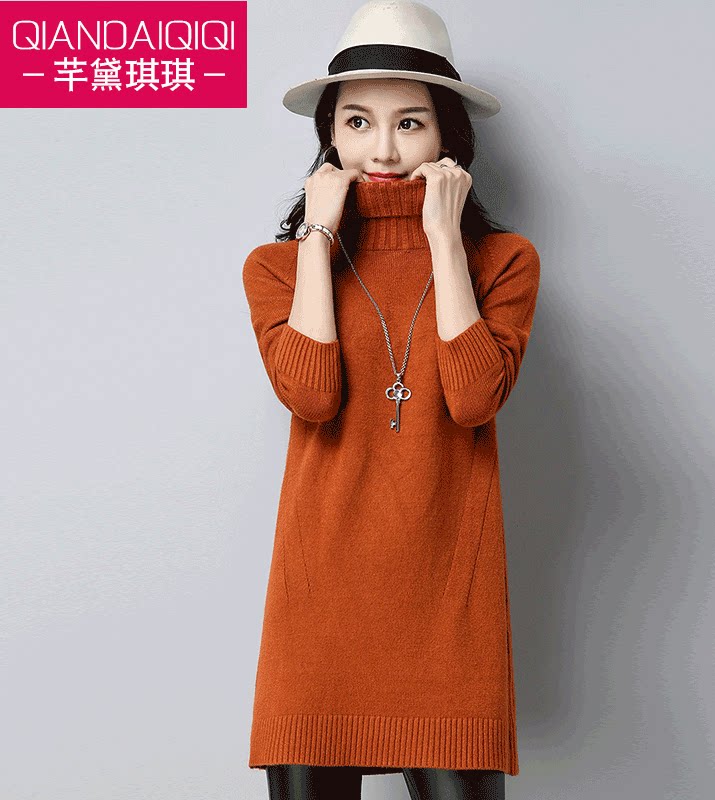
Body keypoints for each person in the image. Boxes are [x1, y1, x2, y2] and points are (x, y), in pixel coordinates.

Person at [241, 2, 542, 798]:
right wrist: (316, 238)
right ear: (329, 136)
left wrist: (444, 239)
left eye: (410, 123)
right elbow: (311, 396)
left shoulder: (504, 262)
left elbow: (473, 400)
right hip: (319, 612)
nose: (382, 149)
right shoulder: (275, 269)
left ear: (447, 137)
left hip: (450, 613)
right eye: (357, 123)